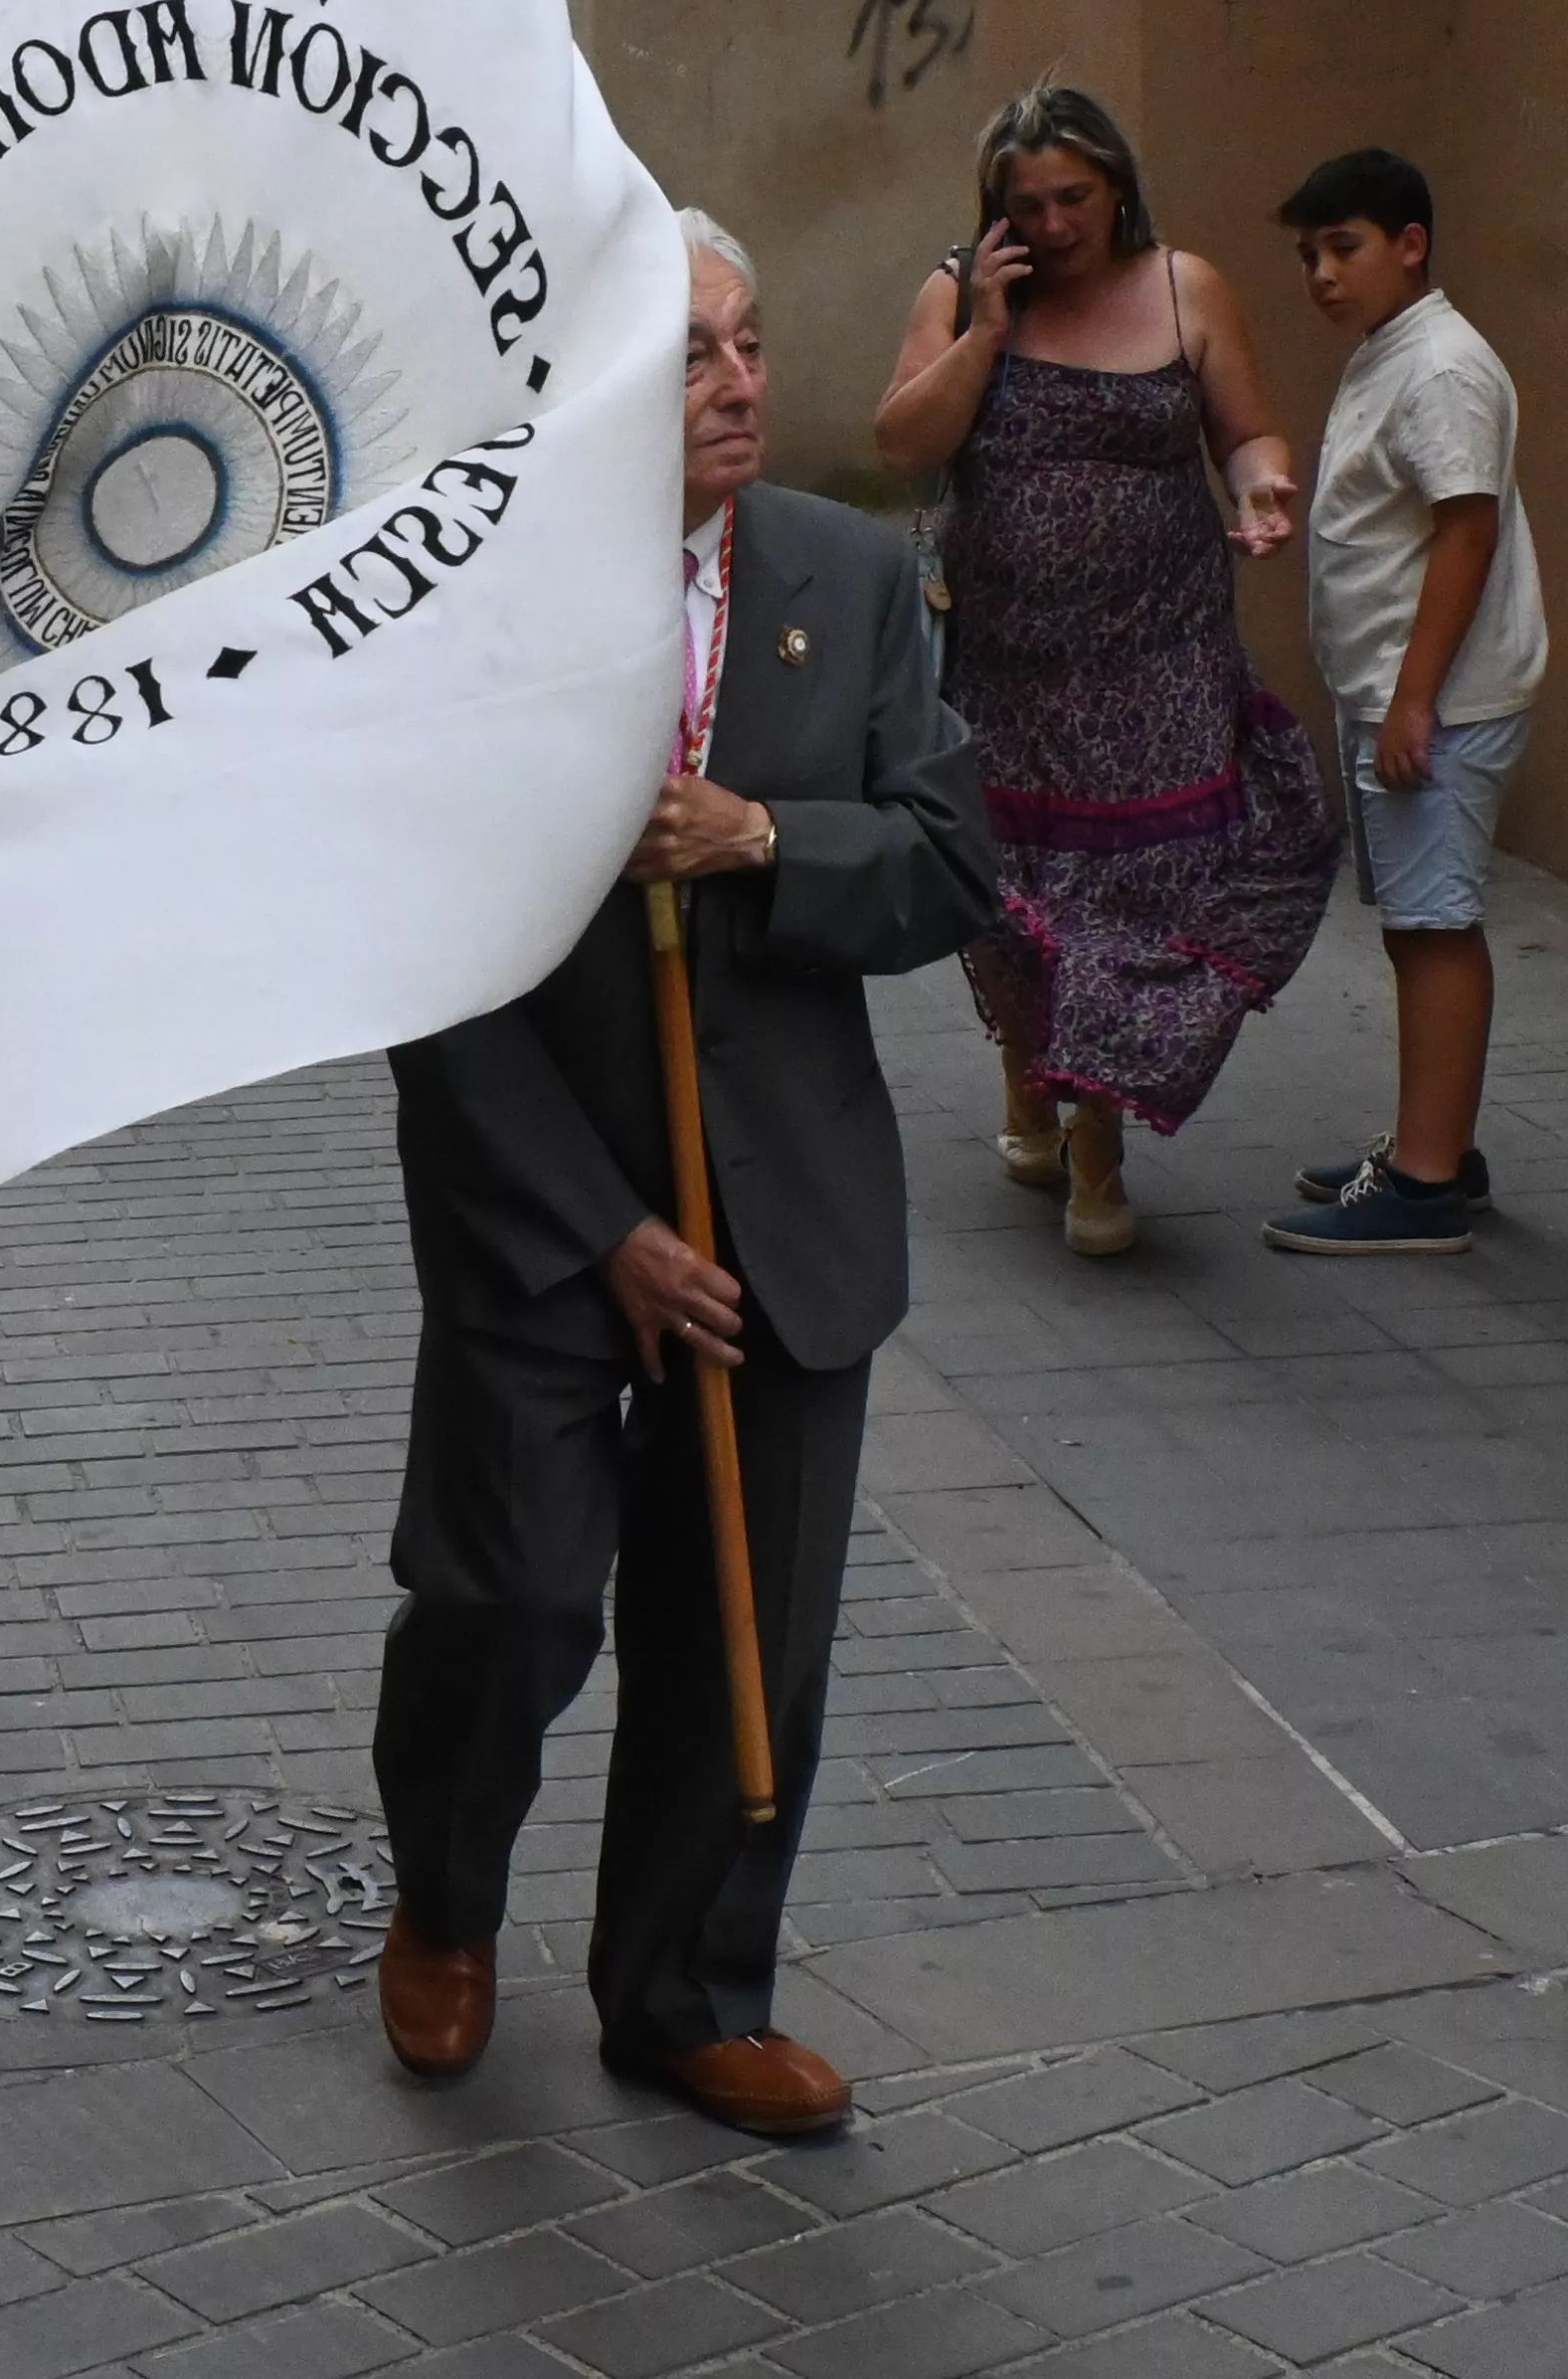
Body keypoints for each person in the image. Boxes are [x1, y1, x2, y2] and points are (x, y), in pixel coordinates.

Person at [370, 213, 999, 2134]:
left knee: (750, 1632)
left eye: (749, 340)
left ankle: (686, 1987)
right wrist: (604, 1233)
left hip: (786, 1216)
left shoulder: (847, 575)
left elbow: (948, 860)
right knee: (514, 1598)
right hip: (549, 1216)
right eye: (689, 356)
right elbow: (430, 974)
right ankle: (446, 1894)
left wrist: (754, 839)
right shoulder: (477, 616)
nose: (738, 382)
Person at [870, 80, 1336, 1256]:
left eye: (1074, 196)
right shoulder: (961, 287)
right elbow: (901, 446)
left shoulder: (1188, 288)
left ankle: (1097, 1144)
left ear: (1118, 186)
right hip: (1014, 668)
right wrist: (983, 330)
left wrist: (1264, 487)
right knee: (1022, 897)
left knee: (1142, 893)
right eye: (1029, 203)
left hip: (1162, 655)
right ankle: (1037, 1082)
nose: (1056, 222)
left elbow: (1248, 432)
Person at [1267, 149, 1545, 1254]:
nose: (1323, 275)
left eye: (1345, 248)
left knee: (1435, 927)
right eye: (1309, 256)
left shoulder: (1441, 368)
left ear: (1410, 245)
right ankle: (1436, 1143)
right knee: (1414, 925)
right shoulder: (1390, 351)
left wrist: (1417, 700)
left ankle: (1426, 1184)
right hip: (1390, 693)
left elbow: (1465, 528)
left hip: (1437, 702)